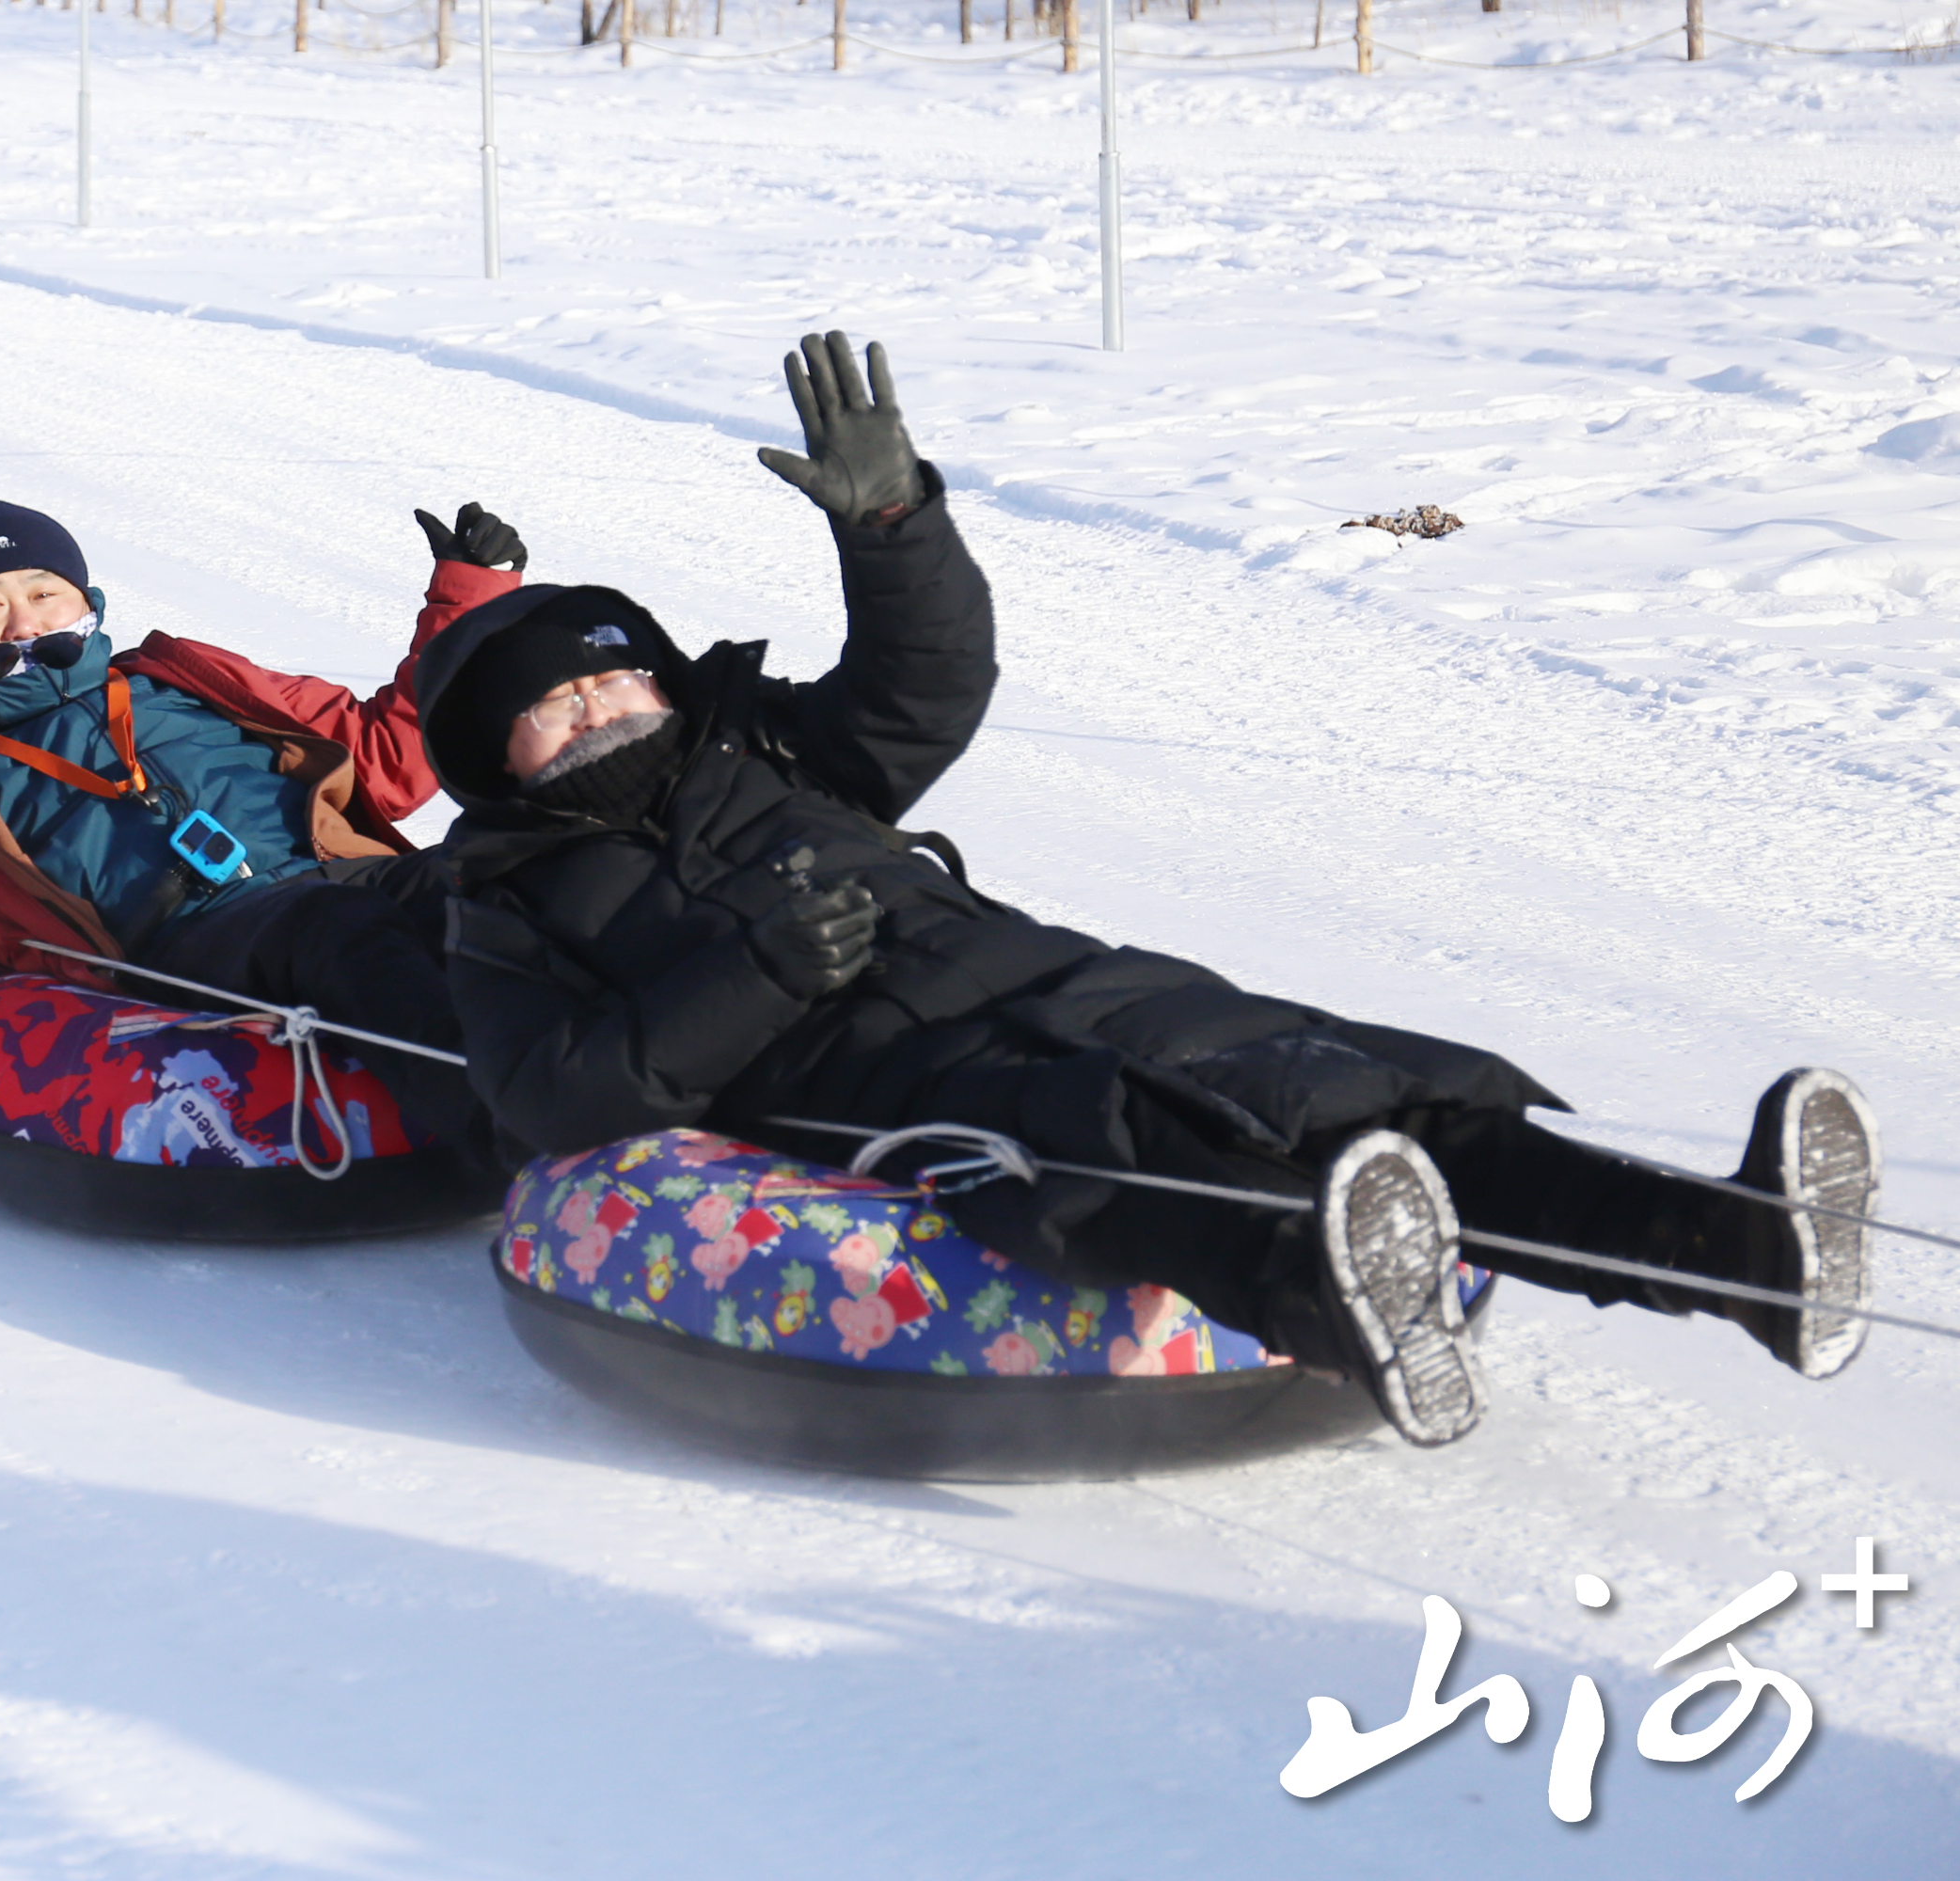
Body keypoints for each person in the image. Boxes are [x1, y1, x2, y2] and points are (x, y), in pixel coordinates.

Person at [412, 331, 1881, 1448]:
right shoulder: (511, 897)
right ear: (494, 752)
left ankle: (1743, 1253)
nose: (605, 704)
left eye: (619, 673)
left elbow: (927, 686)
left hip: (1060, 977)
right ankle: (1347, 1315)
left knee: (1356, 1084)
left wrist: (895, 531)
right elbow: (550, 1098)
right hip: (887, 1077)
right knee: (1117, 1145)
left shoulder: (769, 748)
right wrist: (764, 977)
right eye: (561, 700)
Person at [0, 498, 527, 1108]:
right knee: (340, 935)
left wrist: (472, 603)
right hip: (197, 944)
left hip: (337, 877)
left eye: (43, 591)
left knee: (506, 864)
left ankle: (630, 1048)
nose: (23, 617)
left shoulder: (179, 677)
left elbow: (385, 761)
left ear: (88, 605)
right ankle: (501, 1107)